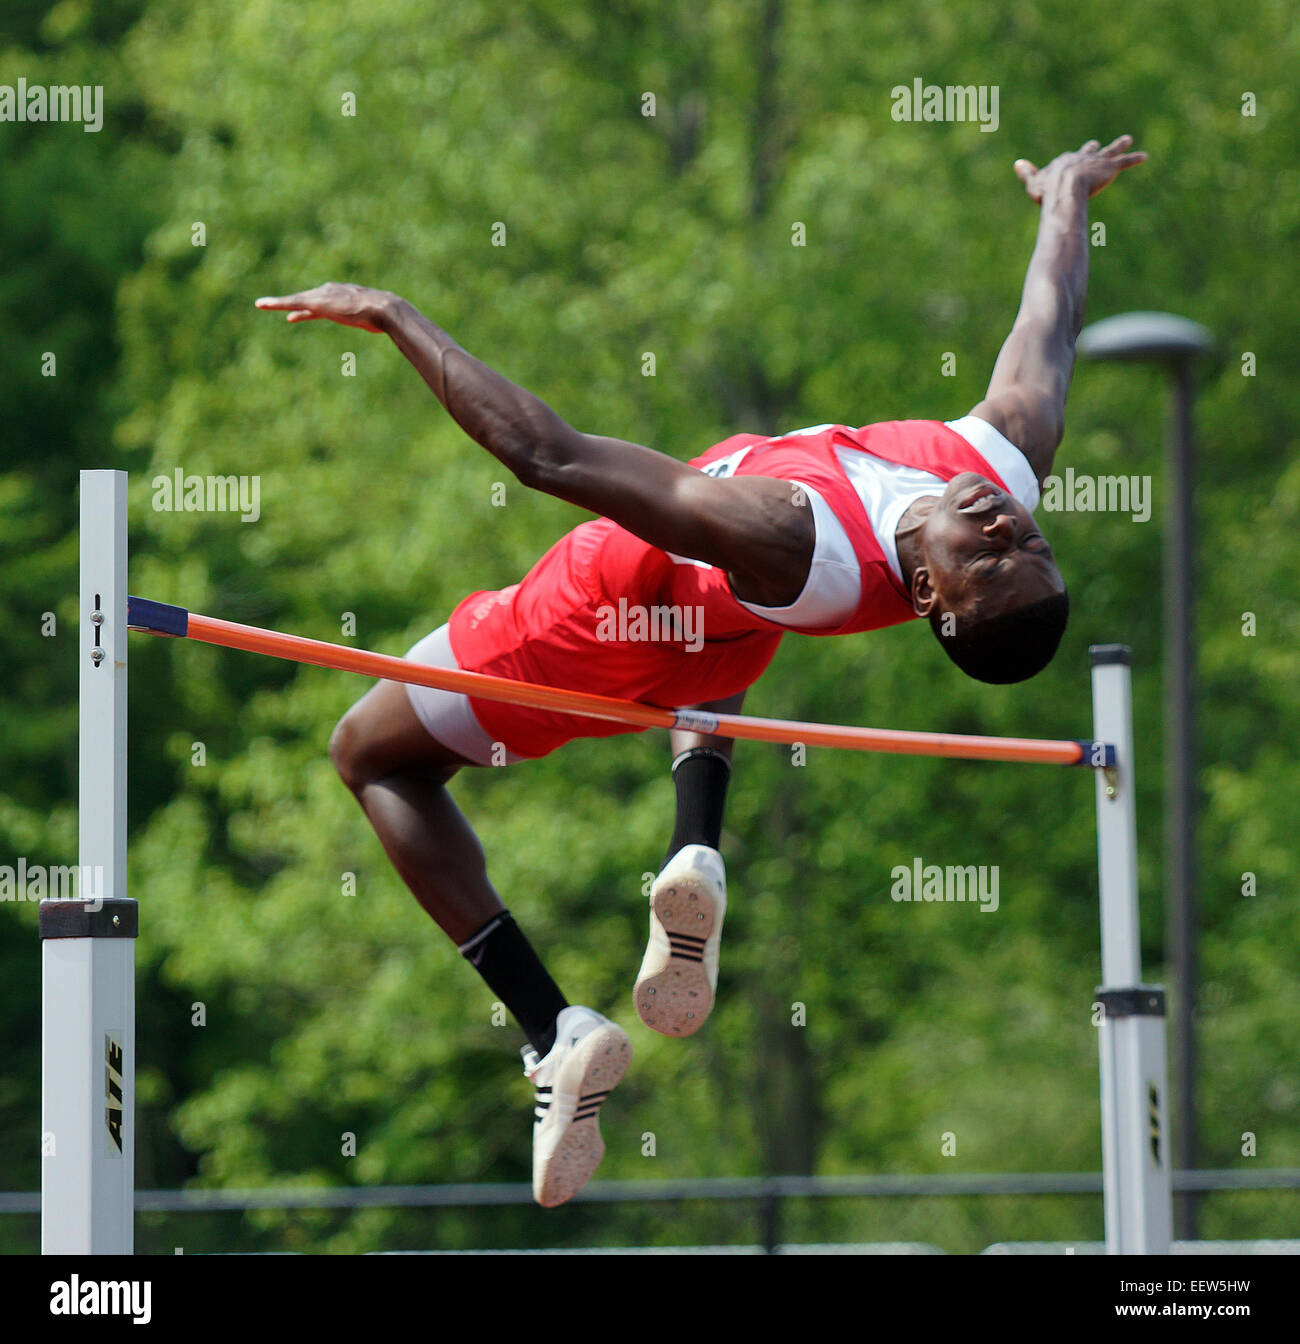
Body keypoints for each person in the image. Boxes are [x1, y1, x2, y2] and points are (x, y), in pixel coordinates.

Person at [256, 134, 1147, 1207]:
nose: (1004, 527)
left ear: (929, 602)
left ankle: (554, 1028)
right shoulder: (1000, 462)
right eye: (1026, 542)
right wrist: (1064, 196)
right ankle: (692, 852)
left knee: (369, 756)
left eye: (987, 560)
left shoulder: (789, 528)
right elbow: (1047, 325)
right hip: (716, 636)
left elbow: (550, 457)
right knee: (722, 628)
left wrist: (395, 315)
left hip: (593, 617)